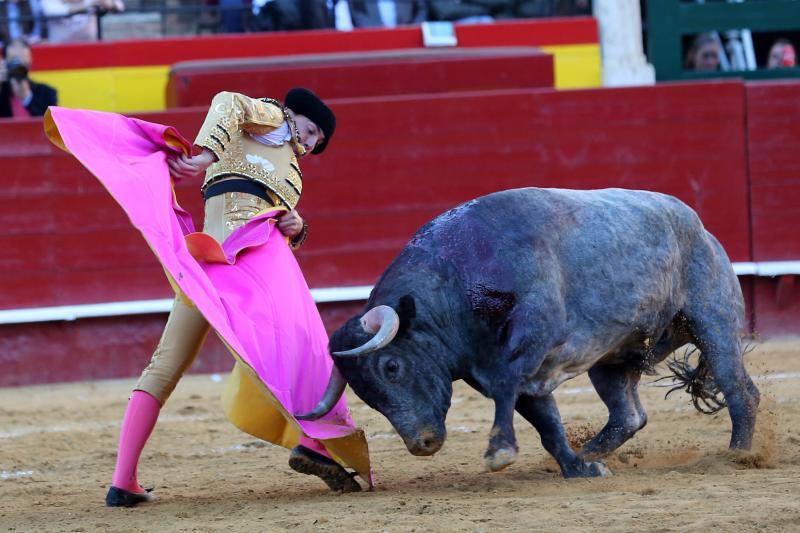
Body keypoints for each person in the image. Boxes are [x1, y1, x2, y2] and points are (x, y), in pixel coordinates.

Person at [44, 88, 372, 507]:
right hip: (234, 264)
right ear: (292, 113)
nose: (306, 145)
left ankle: (122, 481)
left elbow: (275, 228)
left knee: (164, 367)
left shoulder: (290, 166)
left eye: (313, 143)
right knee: (297, 344)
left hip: (204, 267)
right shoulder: (269, 118)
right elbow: (228, 101)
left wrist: (296, 225)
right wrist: (204, 155)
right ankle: (313, 441)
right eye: (308, 131)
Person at [0, 38, 57, 119]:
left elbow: (51, 126)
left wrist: (27, 98)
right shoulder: (2, 92)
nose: (17, 67)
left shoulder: (46, 93)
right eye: (13, 60)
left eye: (21, 61)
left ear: (29, 61)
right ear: (4, 63)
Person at [40, 0, 124, 43]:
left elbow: (120, 7)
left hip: (89, 50)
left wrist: (111, 4)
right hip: (58, 50)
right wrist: (89, 5)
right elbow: (53, 11)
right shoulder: (49, 2)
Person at [347, 0, 428, 28]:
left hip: (409, 43)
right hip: (372, 44)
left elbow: (421, 9)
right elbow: (357, 13)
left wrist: (410, 31)